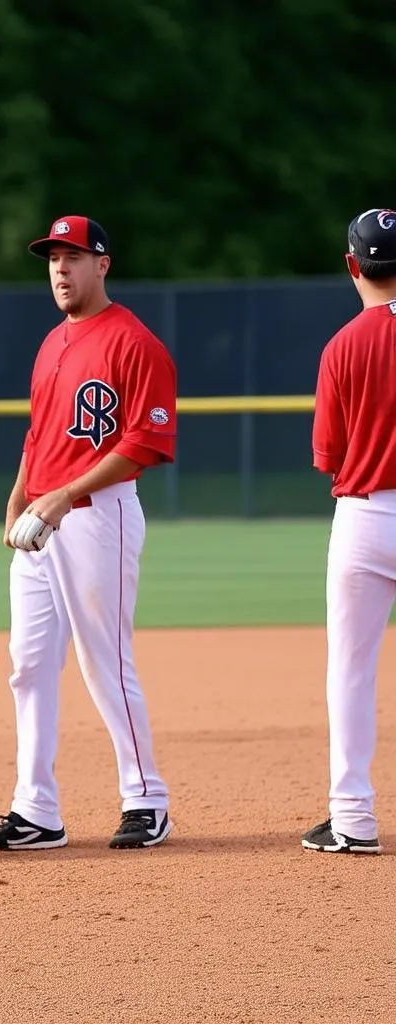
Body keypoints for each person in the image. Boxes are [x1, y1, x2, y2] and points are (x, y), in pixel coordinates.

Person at [0, 215, 177, 853]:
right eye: (53, 257)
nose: (61, 268)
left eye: (74, 256)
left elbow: (146, 441)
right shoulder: (52, 342)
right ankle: (36, 810)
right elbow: (40, 434)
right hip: (41, 523)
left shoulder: (134, 342)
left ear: (102, 264)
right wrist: (19, 496)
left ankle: (146, 799)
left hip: (98, 516)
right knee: (27, 666)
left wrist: (61, 496)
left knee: (104, 660)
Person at [301, 208, 396, 856]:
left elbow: (329, 454)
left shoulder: (342, 345)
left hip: (365, 513)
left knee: (351, 671)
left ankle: (353, 819)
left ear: (352, 265)